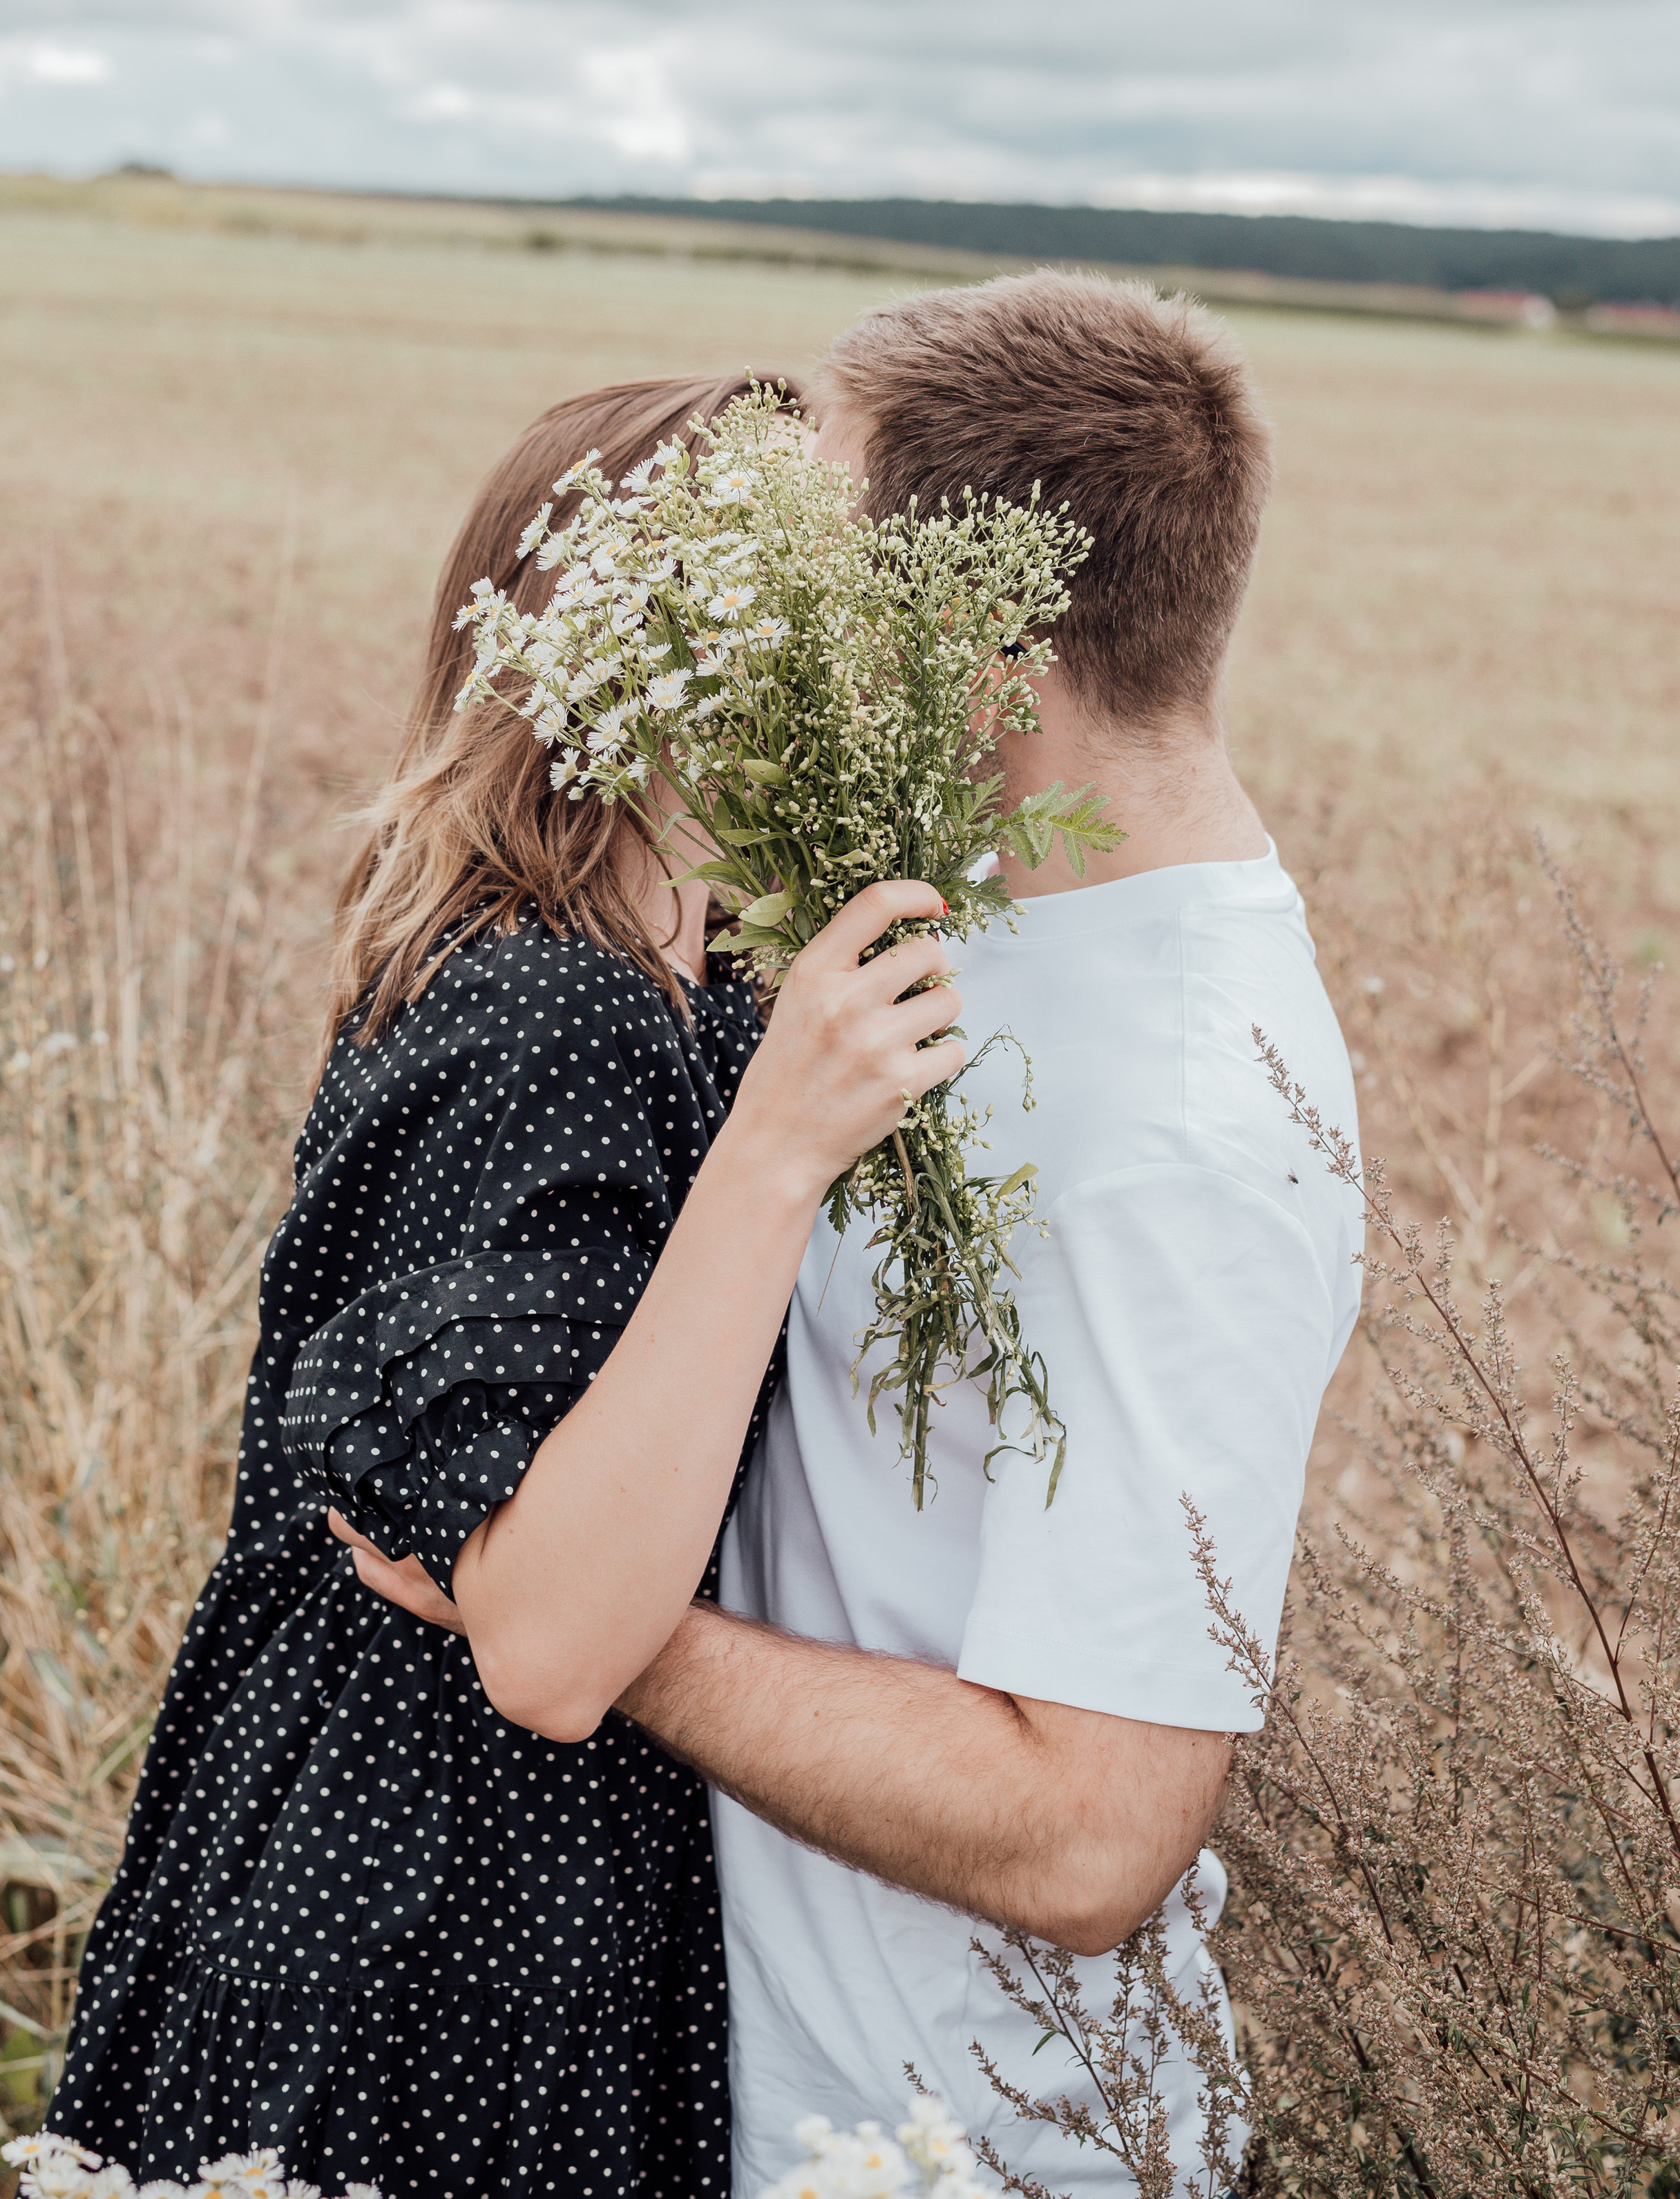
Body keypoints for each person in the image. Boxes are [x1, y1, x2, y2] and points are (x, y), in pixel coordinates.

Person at [345, 272, 1364, 2198]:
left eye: (813, 565)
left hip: (971, 2142)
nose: (776, 621)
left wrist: (561, 1612)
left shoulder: (1181, 1129)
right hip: (774, 2084)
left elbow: (1092, 1834)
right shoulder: (969, 916)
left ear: (978, 643)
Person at [46, 368, 975, 2199]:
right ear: (635, 631)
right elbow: (546, 1639)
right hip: (432, 1912)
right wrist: (782, 1148)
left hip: (490, 1879)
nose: (851, 612)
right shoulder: (549, 1009)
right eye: (786, 564)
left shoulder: (680, 990)